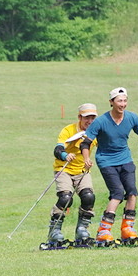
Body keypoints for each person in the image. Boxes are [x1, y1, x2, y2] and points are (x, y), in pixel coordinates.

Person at [80, 87, 138, 244]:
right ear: (111, 102)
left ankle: (127, 229)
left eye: (125, 100)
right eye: (120, 101)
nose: (123, 104)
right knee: (117, 193)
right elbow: (85, 143)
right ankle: (103, 231)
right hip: (106, 161)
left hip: (125, 159)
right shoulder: (100, 121)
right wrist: (86, 158)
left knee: (132, 192)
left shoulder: (132, 118)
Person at [47, 103, 99, 244]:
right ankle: (54, 231)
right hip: (64, 169)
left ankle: (82, 229)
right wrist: (65, 155)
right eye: (86, 118)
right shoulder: (68, 130)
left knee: (88, 197)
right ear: (79, 117)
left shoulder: (95, 132)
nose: (89, 121)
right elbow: (57, 150)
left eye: (92, 118)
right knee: (66, 198)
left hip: (82, 170)